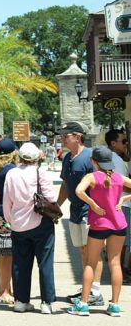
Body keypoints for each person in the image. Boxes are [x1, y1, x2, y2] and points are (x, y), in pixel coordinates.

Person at [67, 145, 131, 316]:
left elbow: (78, 191)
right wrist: (124, 198)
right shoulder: (118, 177)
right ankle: (115, 305)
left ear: (93, 161)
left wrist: (92, 204)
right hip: (118, 224)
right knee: (115, 263)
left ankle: (83, 303)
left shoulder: (92, 177)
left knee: (90, 262)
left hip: (99, 224)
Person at [3, 143, 57, 314]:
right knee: (45, 262)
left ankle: (21, 300)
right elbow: (50, 197)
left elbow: (7, 200)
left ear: (20, 157)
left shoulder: (11, 173)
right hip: (41, 222)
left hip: (18, 223)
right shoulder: (40, 172)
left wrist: (11, 220)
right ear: (37, 158)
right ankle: (46, 303)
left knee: (20, 263)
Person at [55, 121, 104, 306]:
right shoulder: (68, 158)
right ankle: (87, 286)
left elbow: (103, 183)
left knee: (94, 252)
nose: (62, 139)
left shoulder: (91, 157)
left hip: (91, 212)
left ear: (77, 137)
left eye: (66, 136)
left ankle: (96, 292)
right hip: (74, 212)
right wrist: (57, 205)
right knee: (82, 251)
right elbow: (66, 185)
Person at [0, 139, 18, 304]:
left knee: (3, 253)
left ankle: (5, 287)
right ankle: (4, 291)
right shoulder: (13, 170)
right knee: (8, 254)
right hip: (11, 214)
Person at [102, 128, 131, 280]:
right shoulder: (116, 159)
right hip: (123, 203)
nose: (126, 144)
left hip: (117, 203)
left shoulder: (114, 157)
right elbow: (119, 182)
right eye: (124, 141)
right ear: (113, 143)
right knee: (123, 240)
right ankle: (120, 271)